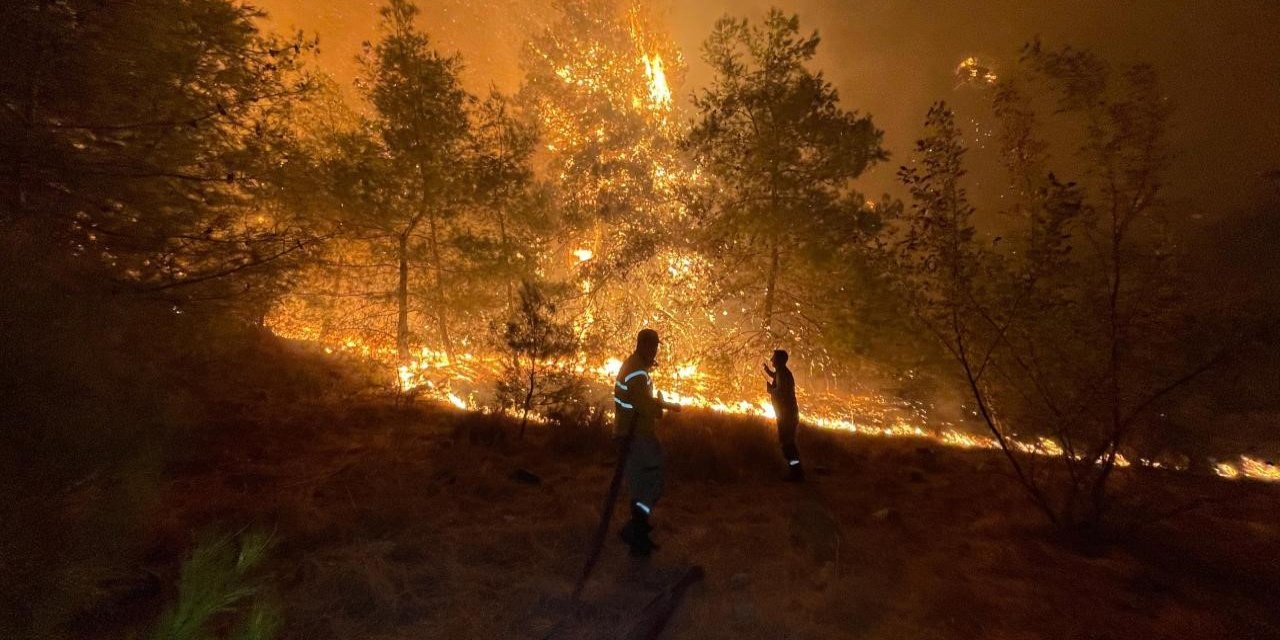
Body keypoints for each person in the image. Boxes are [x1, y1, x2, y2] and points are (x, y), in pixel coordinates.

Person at [614, 328, 678, 557]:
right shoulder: (638, 373)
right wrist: (659, 408)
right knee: (653, 482)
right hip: (637, 435)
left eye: (656, 347)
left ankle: (638, 537)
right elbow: (643, 405)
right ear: (642, 345)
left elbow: (637, 400)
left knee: (640, 485)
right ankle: (635, 529)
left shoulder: (635, 367)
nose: (655, 351)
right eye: (652, 346)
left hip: (631, 434)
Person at [764, 349, 804, 481]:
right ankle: (796, 471)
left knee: (787, 444)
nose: (771, 360)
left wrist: (770, 390)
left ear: (780, 360)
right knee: (788, 443)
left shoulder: (783, 374)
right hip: (787, 415)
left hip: (787, 416)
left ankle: (796, 472)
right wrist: (768, 371)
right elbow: (776, 376)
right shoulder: (782, 372)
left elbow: (781, 392)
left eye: (773, 358)